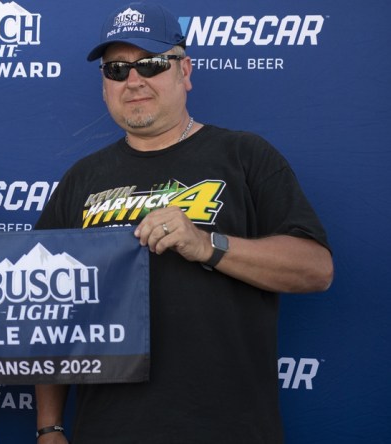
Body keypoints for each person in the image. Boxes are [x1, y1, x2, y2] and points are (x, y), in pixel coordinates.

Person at [34, 2, 333, 443]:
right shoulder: (82, 178)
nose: (133, 81)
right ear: (104, 86)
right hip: (108, 429)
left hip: (227, 428)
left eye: (152, 64)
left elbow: (316, 269)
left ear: (184, 71)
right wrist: (49, 426)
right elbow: (43, 315)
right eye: (116, 70)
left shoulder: (245, 156)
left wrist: (208, 245)